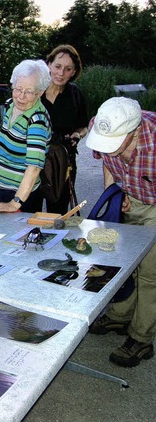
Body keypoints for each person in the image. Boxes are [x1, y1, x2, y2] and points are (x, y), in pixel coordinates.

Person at [86, 97, 156, 368]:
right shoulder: (100, 124)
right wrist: (116, 194)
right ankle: (120, 315)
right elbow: (107, 161)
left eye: (115, 141)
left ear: (134, 131)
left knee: (149, 272)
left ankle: (141, 337)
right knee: (123, 263)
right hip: (130, 195)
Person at [0, 60, 51, 214]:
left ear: (39, 92)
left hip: (18, 194)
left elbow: (34, 168)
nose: (21, 96)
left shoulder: (37, 120)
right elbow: (3, 143)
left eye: (29, 91)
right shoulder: (10, 105)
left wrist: (15, 203)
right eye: (18, 89)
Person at [40, 44, 88, 214]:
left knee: (58, 212)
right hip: (33, 158)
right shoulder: (35, 90)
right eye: (58, 66)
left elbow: (84, 126)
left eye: (68, 69)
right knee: (28, 212)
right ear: (49, 65)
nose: (61, 73)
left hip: (63, 160)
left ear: (74, 71)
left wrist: (78, 134)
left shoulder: (75, 94)